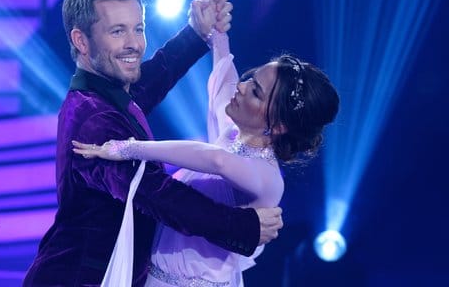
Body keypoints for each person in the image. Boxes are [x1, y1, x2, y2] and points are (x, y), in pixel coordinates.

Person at [23, 0, 283, 286]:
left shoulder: (104, 95)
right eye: (118, 31)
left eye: (139, 28)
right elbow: (158, 194)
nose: (134, 43)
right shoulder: (93, 118)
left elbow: (147, 83)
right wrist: (241, 227)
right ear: (81, 40)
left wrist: (197, 33)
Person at [73, 25, 339, 285]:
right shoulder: (233, 136)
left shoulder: (267, 177)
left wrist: (127, 148)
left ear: (279, 126)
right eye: (252, 78)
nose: (243, 87)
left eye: (256, 92)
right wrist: (217, 31)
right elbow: (224, 81)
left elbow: (216, 160)